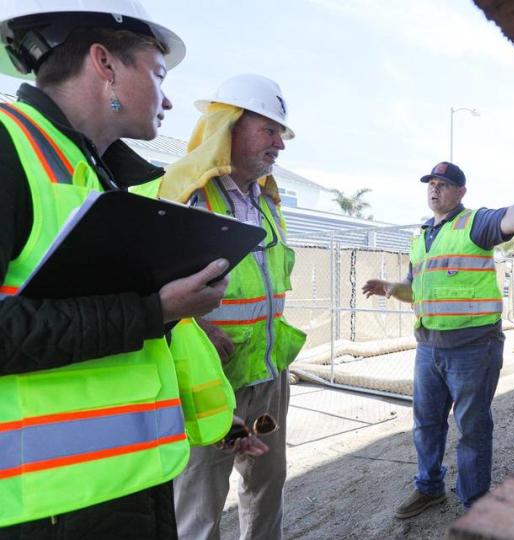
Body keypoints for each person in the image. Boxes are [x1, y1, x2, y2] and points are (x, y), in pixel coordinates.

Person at [0, 2, 229, 538]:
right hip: (43, 511)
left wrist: (165, 313)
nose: (169, 98)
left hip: (127, 488)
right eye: (158, 74)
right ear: (105, 63)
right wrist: (155, 310)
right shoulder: (9, 152)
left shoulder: (93, 175)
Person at [363, 160, 514, 517]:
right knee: (426, 423)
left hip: (473, 347)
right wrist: (391, 289)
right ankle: (429, 488)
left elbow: (511, 218)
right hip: (429, 347)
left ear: (460, 192)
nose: (435, 188)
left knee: (472, 426)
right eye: (431, 183)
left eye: (443, 184)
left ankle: (474, 503)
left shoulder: (474, 223)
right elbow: (415, 291)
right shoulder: (421, 238)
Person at [148, 74, 306, 540]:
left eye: (281, 134)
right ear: (228, 128)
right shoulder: (185, 195)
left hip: (265, 375)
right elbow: (151, 287)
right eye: (269, 130)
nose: (279, 144)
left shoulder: (267, 203)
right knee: (199, 505)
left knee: (266, 485)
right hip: (208, 381)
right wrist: (195, 328)